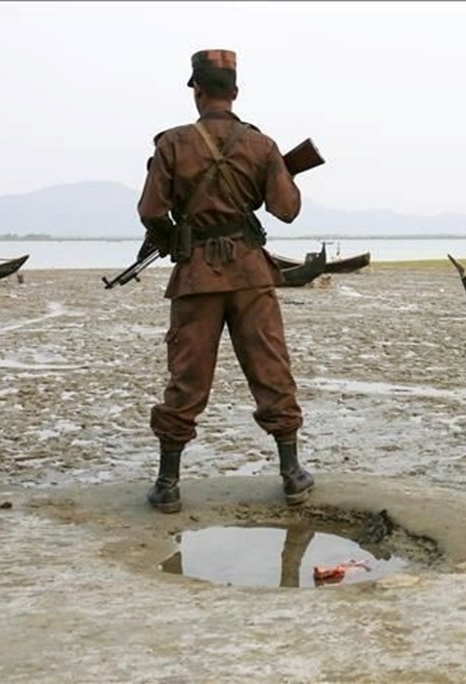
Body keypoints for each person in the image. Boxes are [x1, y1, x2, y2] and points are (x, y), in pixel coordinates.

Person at [136, 49, 314, 513]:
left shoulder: (172, 144)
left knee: (187, 376)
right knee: (271, 369)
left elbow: (151, 211)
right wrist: (278, 172)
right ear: (234, 92)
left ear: (197, 90)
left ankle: (169, 484)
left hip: (196, 276)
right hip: (252, 275)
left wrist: (174, 238)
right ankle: (292, 474)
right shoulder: (260, 145)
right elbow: (287, 209)